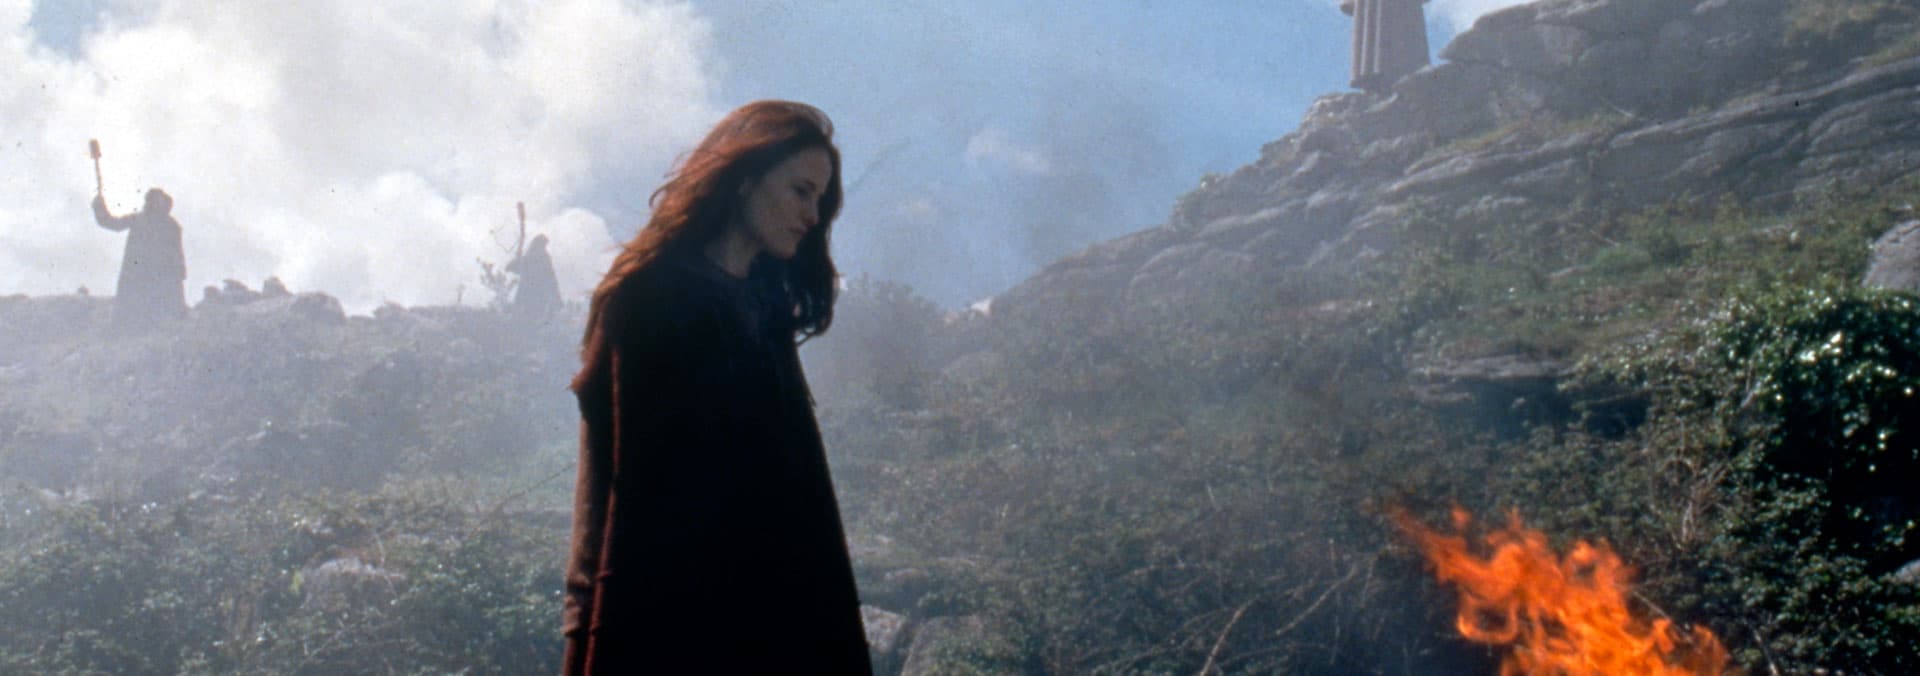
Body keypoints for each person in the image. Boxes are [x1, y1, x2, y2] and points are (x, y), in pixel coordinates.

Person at [563, 101, 871, 674]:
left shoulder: (764, 313)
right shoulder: (652, 300)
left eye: (820, 201)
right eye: (800, 191)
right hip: (674, 627)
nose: (812, 216)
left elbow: (800, 497)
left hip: (774, 624)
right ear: (746, 178)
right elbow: (626, 496)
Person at [92, 188, 188, 328]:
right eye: (153, 200)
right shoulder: (139, 219)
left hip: (160, 275)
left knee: (160, 313)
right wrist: (99, 207)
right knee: (135, 313)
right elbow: (111, 223)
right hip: (138, 274)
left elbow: (177, 251)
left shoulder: (171, 226)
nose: (155, 203)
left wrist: (179, 271)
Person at [507, 234, 562, 320]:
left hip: (532, 293)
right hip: (533, 293)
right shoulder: (537, 257)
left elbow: (512, 267)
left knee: (530, 316)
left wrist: (518, 259)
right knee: (532, 316)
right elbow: (551, 278)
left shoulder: (532, 256)